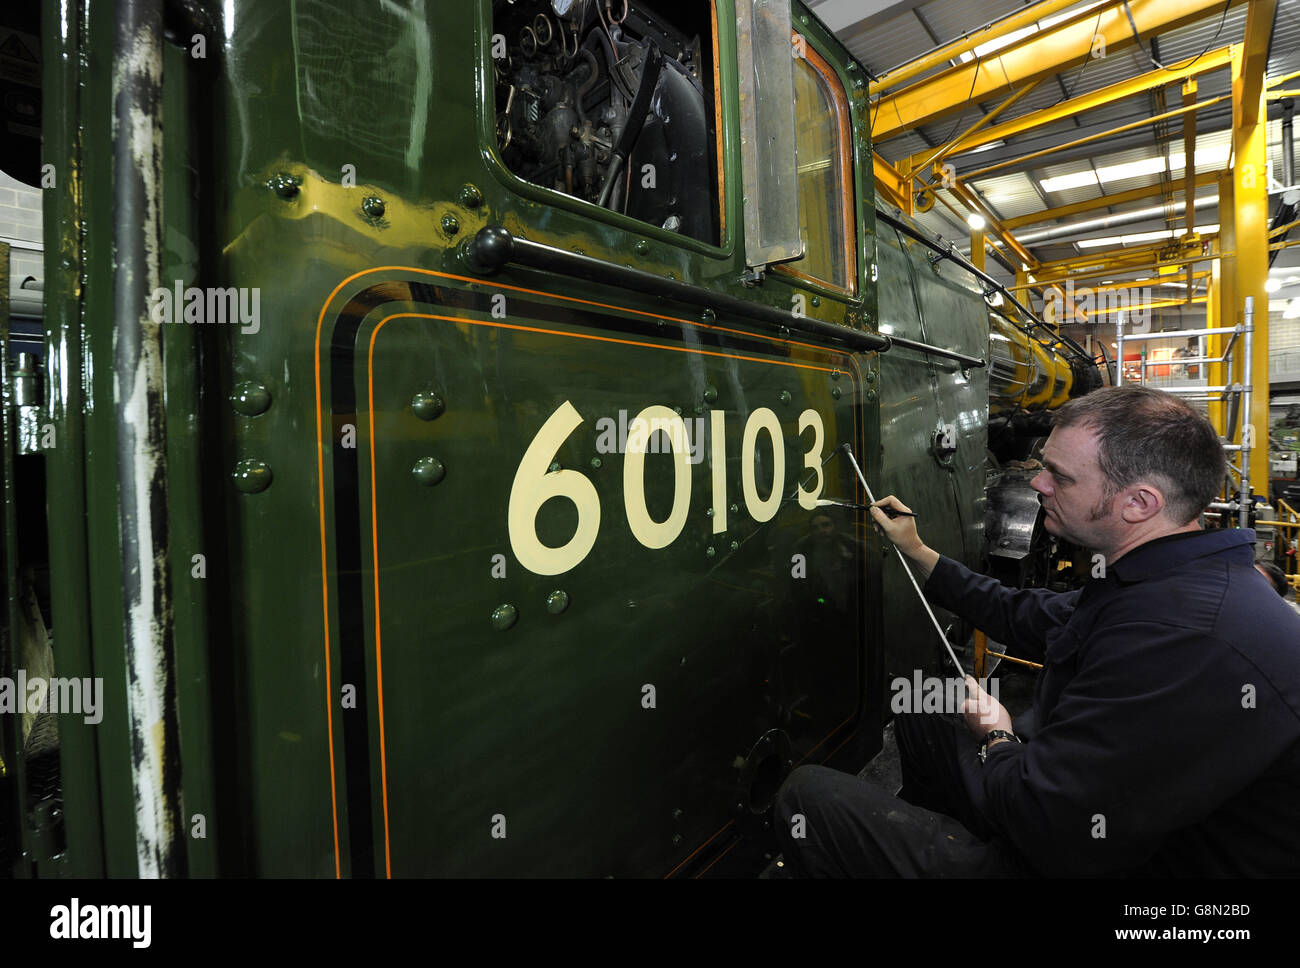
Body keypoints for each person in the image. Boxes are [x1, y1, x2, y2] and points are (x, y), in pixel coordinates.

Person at [775, 385, 1300, 877]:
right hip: (1075, 811)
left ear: (1139, 503)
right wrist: (917, 550)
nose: (1036, 482)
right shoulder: (1162, 577)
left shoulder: (1185, 636)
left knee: (807, 798)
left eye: (1060, 476)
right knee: (927, 705)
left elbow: (1053, 824)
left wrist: (999, 737)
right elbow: (1022, 613)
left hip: (1091, 856)